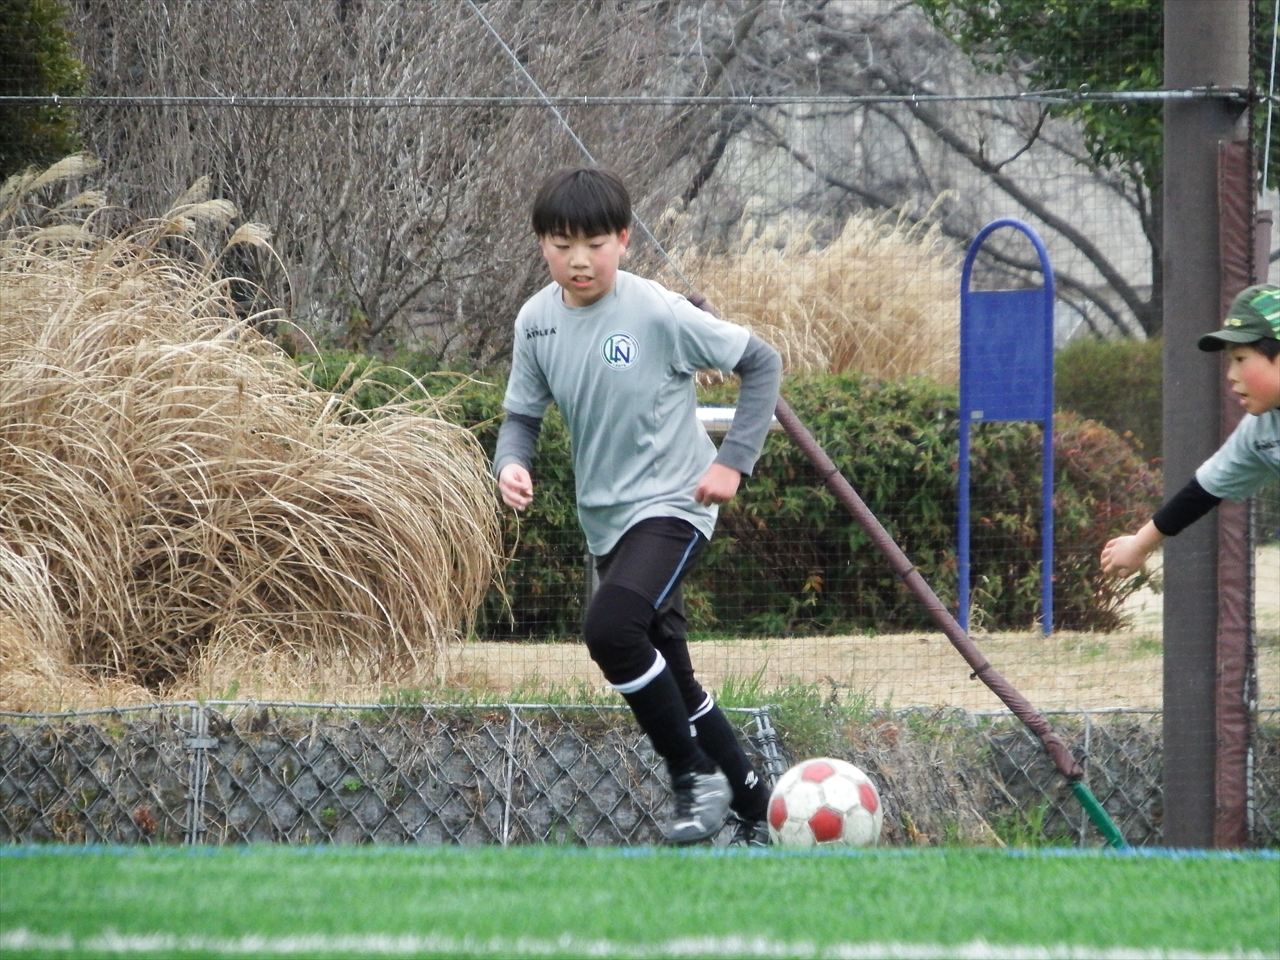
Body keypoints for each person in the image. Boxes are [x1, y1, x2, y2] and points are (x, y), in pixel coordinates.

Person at [493, 166, 783, 845]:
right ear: (542, 245)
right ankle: (760, 810)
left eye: (595, 243)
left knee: (611, 629)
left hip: (676, 504)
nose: (580, 259)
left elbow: (761, 361)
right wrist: (510, 463)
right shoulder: (535, 323)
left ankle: (692, 776)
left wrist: (732, 461)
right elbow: (521, 418)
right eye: (563, 244)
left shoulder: (656, 311)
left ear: (623, 240)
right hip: (606, 524)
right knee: (673, 676)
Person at [1101, 283, 1280, 577]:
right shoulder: (1260, 431)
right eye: (1230, 361)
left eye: (1240, 359)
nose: (1231, 375)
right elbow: (1202, 491)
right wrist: (1139, 544)